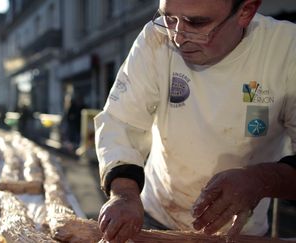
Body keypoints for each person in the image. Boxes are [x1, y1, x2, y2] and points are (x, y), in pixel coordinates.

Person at [94, 0, 296, 242]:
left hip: (240, 231)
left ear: (245, 12)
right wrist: (125, 193)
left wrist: (261, 180)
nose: (178, 37)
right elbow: (121, 120)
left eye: (197, 22)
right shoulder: (156, 37)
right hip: (156, 215)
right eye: (168, 18)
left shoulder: (287, 48)